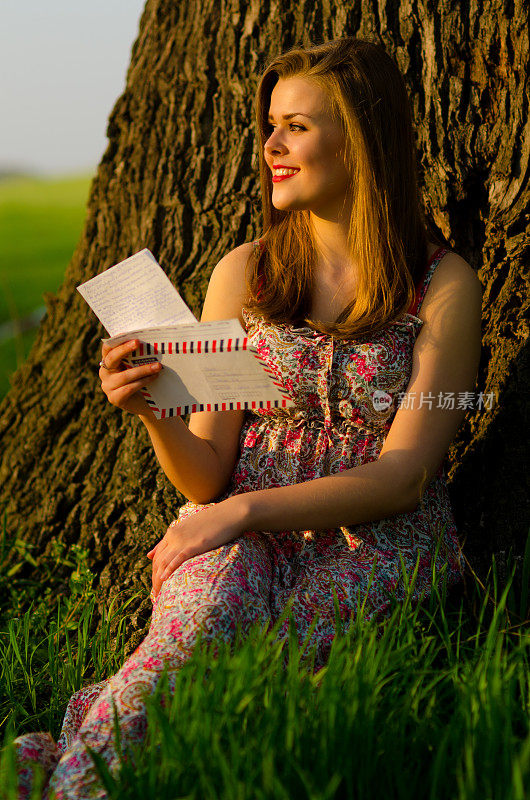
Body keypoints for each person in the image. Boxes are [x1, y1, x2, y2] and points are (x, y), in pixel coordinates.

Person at [12, 35, 482, 799]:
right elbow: (204, 476)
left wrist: (236, 512)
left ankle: (74, 768)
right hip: (240, 531)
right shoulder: (245, 272)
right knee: (190, 635)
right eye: (271, 123)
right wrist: (155, 414)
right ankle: (79, 784)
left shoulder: (442, 283)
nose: (270, 145)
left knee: (257, 675)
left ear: (360, 138)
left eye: (296, 126)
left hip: (376, 546)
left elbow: (405, 475)